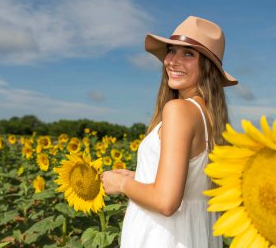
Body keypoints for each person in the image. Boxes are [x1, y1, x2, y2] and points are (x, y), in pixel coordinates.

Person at [101, 15, 238, 248]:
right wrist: (138, 178)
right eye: (171, 51)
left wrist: (120, 184)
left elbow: (166, 202)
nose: (172, 61)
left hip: (161, 238)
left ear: (208, 66)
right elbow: (189, 187)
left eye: (188, 54)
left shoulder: (178, 110)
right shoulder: (211, 119)